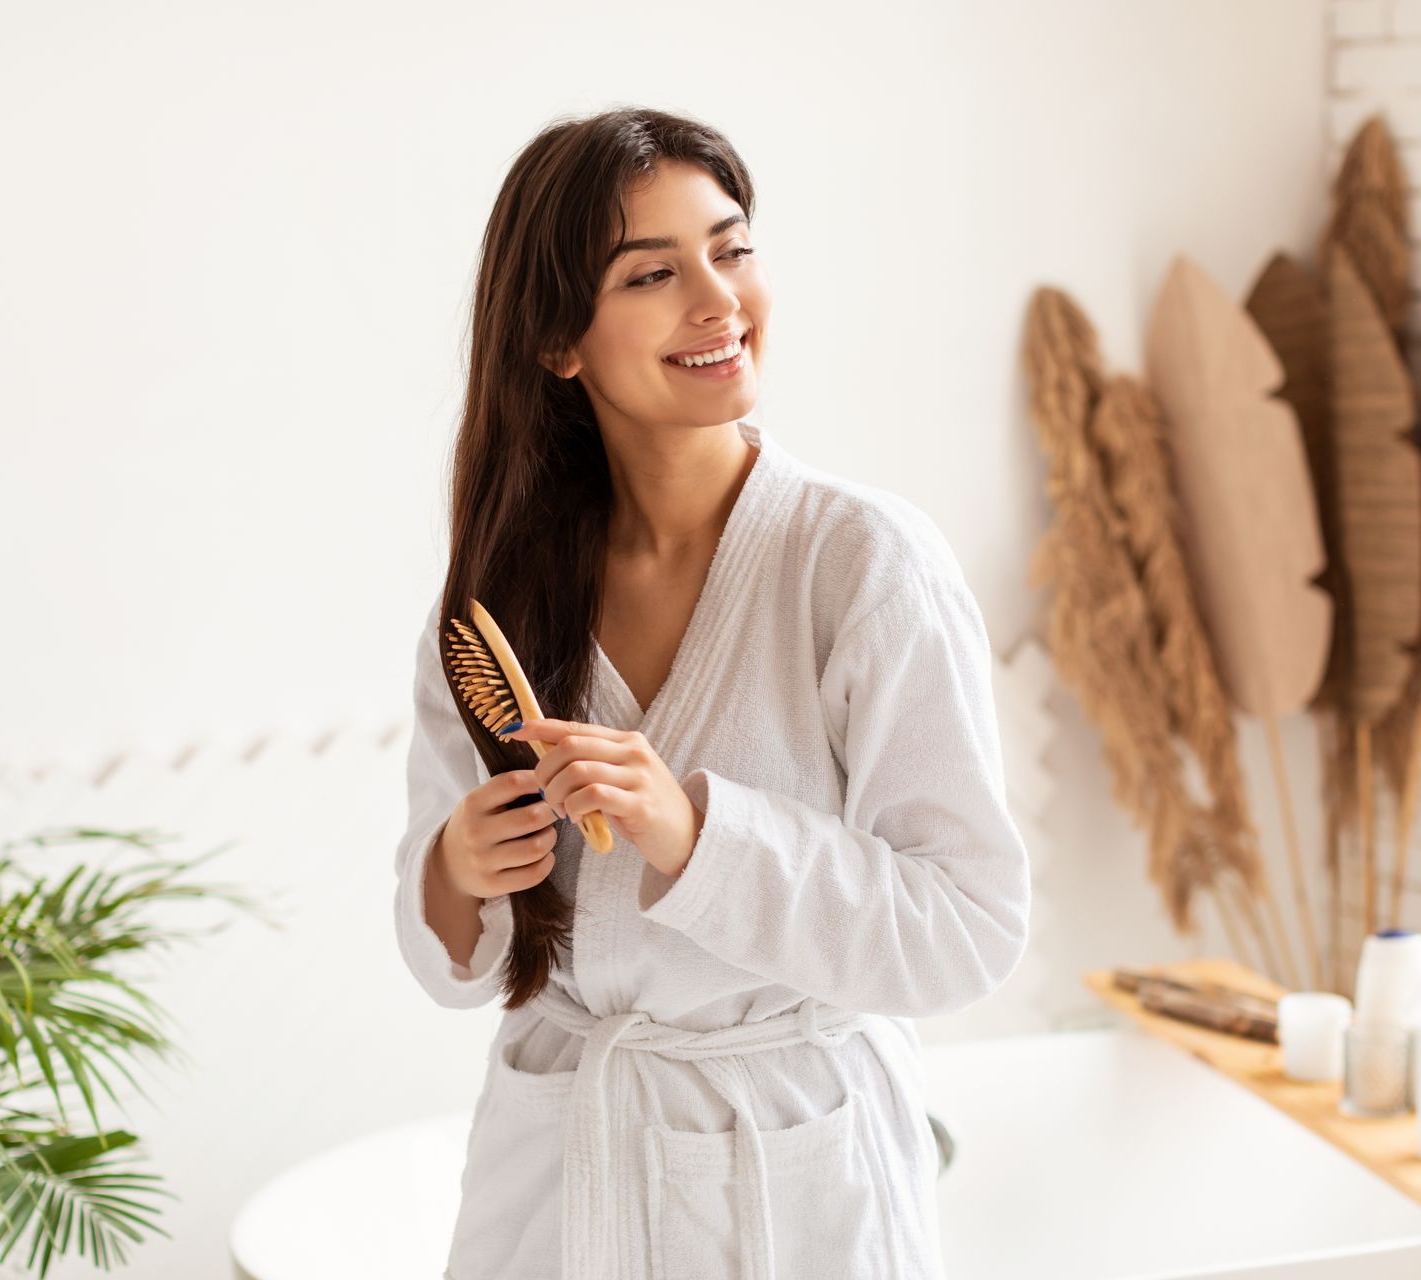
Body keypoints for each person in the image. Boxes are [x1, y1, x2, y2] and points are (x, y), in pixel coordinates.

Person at [390, 105, 1032, 1280]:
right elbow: (453, 965)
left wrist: (701, 835)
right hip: (556, 1173)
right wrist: (455, 867)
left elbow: (970, 929)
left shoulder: (861, 563)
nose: (717, 298)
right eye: (652, 272)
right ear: (557, 341)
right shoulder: (497, 601)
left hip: (788, 1179)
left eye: (732, 249)